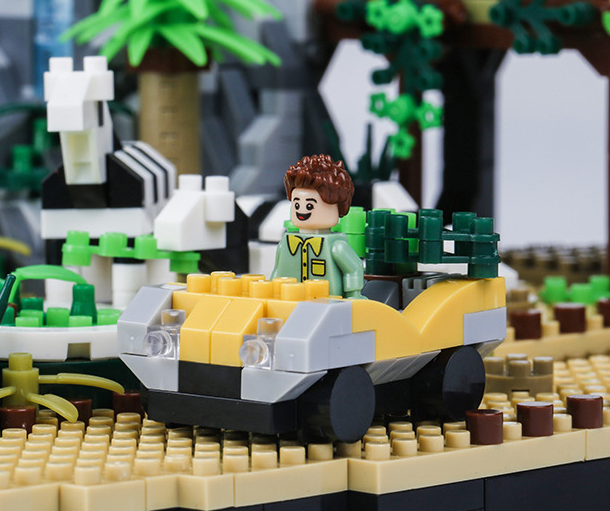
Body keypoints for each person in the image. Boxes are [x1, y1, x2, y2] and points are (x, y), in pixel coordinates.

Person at [270, 155, 365, 299]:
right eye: (297, 204)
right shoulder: (285, 245)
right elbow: (277, 271)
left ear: (337, 207)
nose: (302, 210)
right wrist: (270, 291)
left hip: (327, 303)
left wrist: (353, 294)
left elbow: (354, 268)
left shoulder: (336, 247)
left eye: (309, 205)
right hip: (286, 301)